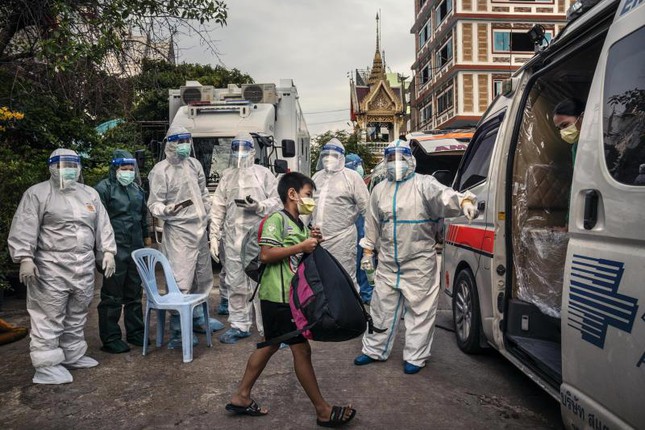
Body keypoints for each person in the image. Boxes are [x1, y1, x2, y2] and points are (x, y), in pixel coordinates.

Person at [224, 172, 356, 427]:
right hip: (278, 297)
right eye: (308, 194)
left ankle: (241, 395)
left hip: (289, 297)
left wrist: (313, 241)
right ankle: (323, 410)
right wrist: (301, 247)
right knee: (300, 349)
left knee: (270, 345)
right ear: (292, 194)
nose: (312, 200)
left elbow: (299, 258)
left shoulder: (299, 224)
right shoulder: (276, 219)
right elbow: (266, 255)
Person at [354, 139, 478, 374]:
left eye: (400, 158)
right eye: (391, 159)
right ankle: (374, 350)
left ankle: (416, 356)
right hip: (389, 262)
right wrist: (368, 251)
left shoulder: (424, 184)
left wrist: (464, 201)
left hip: (419, 261)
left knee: (420, 311)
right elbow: (372, 223)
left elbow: (444, 196)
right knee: (381, 309)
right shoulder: (380, 190)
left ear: (410, 161)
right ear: (385, 162)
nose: (396, 164)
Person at [8, 148, 117, 384]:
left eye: (73, 164)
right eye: (63, 164)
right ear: (51, 166)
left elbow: (102, 224)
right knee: (49, 314)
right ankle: (46, 366)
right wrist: (25, 257)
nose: (69, 169)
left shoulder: (88, 194)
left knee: (77, 313)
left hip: (83, 264)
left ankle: (72, 355)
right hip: (50, 266)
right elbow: (25, 225)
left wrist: (107, 251)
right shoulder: (38, 194)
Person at [147, 126, 223, 349]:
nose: (184, 145)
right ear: (169, 143)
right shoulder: (160, 171)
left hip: (199, 230)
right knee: (181, 281)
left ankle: (199, 318)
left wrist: (207, 213)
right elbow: (154, 203)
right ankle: (178, 330)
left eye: (187, 141)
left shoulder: (194, 164)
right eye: (179, 141)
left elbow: (203, 194)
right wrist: (166, 210)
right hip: (179, 232)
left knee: (202, 276)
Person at [209, 132, 281, 344]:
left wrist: (259, 206)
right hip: (232, 240)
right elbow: (218, 207)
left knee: (263, 286)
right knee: (236, 284)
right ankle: (240, 325)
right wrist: (214, 235)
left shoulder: (263, 174)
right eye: (236, 149)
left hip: (258, 239)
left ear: (252, 151)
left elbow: (277, 201)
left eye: (244, 148)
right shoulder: (227, 176)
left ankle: (270, 329)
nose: (239, 153)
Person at [94, 150, 151, 353]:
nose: (127, 173)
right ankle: (110, 338)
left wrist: (147, 238)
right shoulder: (104, 189)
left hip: (135, 247)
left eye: (130, 169)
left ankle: (136, 332)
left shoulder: (136, 189)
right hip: (114, 248)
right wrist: (102, 251)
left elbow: (143, 215)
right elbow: (97, 221)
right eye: (123, 169)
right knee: (112, 295)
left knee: (134, 292)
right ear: (114, 169)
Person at [311, 139, 369, 292]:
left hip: (342, 239)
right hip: (317, 240)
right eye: (325, 155)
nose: (328, 158)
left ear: (341, 158)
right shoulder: (317, 177)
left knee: (344, 278)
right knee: (320, 280)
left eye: (333, 155)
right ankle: (327, 315)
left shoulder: (351, 177)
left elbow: (367, 209)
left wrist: (370, 241)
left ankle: (350, 313)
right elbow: (309, 207)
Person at [344, 153, 372, 304]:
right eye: (357, 165)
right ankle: (357, 295)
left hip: (364, 232)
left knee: (366, 264)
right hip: (351, 233)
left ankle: (366, 294)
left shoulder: (363, 184)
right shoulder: (345, 185)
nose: (360, 168)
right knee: (353, 264)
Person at [552, 98, 585, 164]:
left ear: (582, 117)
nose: (562, 132)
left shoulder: (603, 138)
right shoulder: (575, 148)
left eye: (565, 125)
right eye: (559, 129)